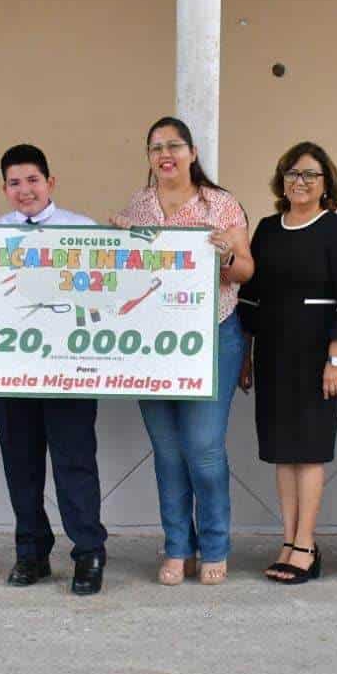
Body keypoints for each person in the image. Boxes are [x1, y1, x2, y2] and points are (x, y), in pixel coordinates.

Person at [0, 144, 109, 594]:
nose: (25, 190)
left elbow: (107, 291)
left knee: (75, 463)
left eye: (32, 180)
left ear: (50, 182)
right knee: (22, 465)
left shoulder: (83, 230)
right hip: (11, 371)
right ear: (4, 188)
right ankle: (31, 553)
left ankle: (88, 553)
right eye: (14, 183)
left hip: (69, 373)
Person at [109, 117, 253, 587]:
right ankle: (177, 545)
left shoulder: (222, 204)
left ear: (192, 153)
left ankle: (214, 545)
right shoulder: (139, 204)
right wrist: (116, 243)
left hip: (212, 335)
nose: (165, 154)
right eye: (156, 148)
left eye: (174, 145)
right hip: (152, 344)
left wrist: (223, 258)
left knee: (204, 448)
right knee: (167, 452)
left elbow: (247, 270)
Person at [238, 142, 337, 584]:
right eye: (292, 173)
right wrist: (245, 354)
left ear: (326, 183)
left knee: (308, 453)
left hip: (317, 358)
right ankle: (287, 540)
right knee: (282, 455)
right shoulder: (269, 229)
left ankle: (306, 544)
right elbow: (251, 298)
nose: (300, 181)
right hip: (272, 354)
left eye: (310, 174)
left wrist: (336, 359)